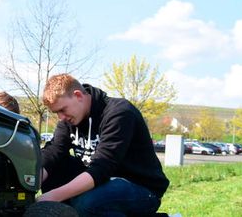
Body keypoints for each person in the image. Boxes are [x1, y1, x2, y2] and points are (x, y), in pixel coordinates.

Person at [37, 73, 169, 216]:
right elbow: (53, 151)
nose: (61, 117)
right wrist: (32, 182)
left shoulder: (119, 113)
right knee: (53, 169)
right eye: (56, 112)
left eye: (62, 110)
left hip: (141, 187)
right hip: (104, 181)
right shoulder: (69, 120)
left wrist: (53, 197)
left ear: (78, 96)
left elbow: (103, 166)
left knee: (88, 202)